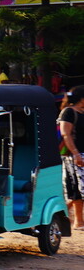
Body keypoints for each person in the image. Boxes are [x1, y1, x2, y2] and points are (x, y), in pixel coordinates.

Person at [58, 86, 84, 230]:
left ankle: (62, 213)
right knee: (76, 188)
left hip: (80, 155)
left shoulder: (82, 112)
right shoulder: (68, 112)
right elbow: (65, 134)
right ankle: (78, 222)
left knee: (80, 189)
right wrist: (76, 154)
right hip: (74, 156)